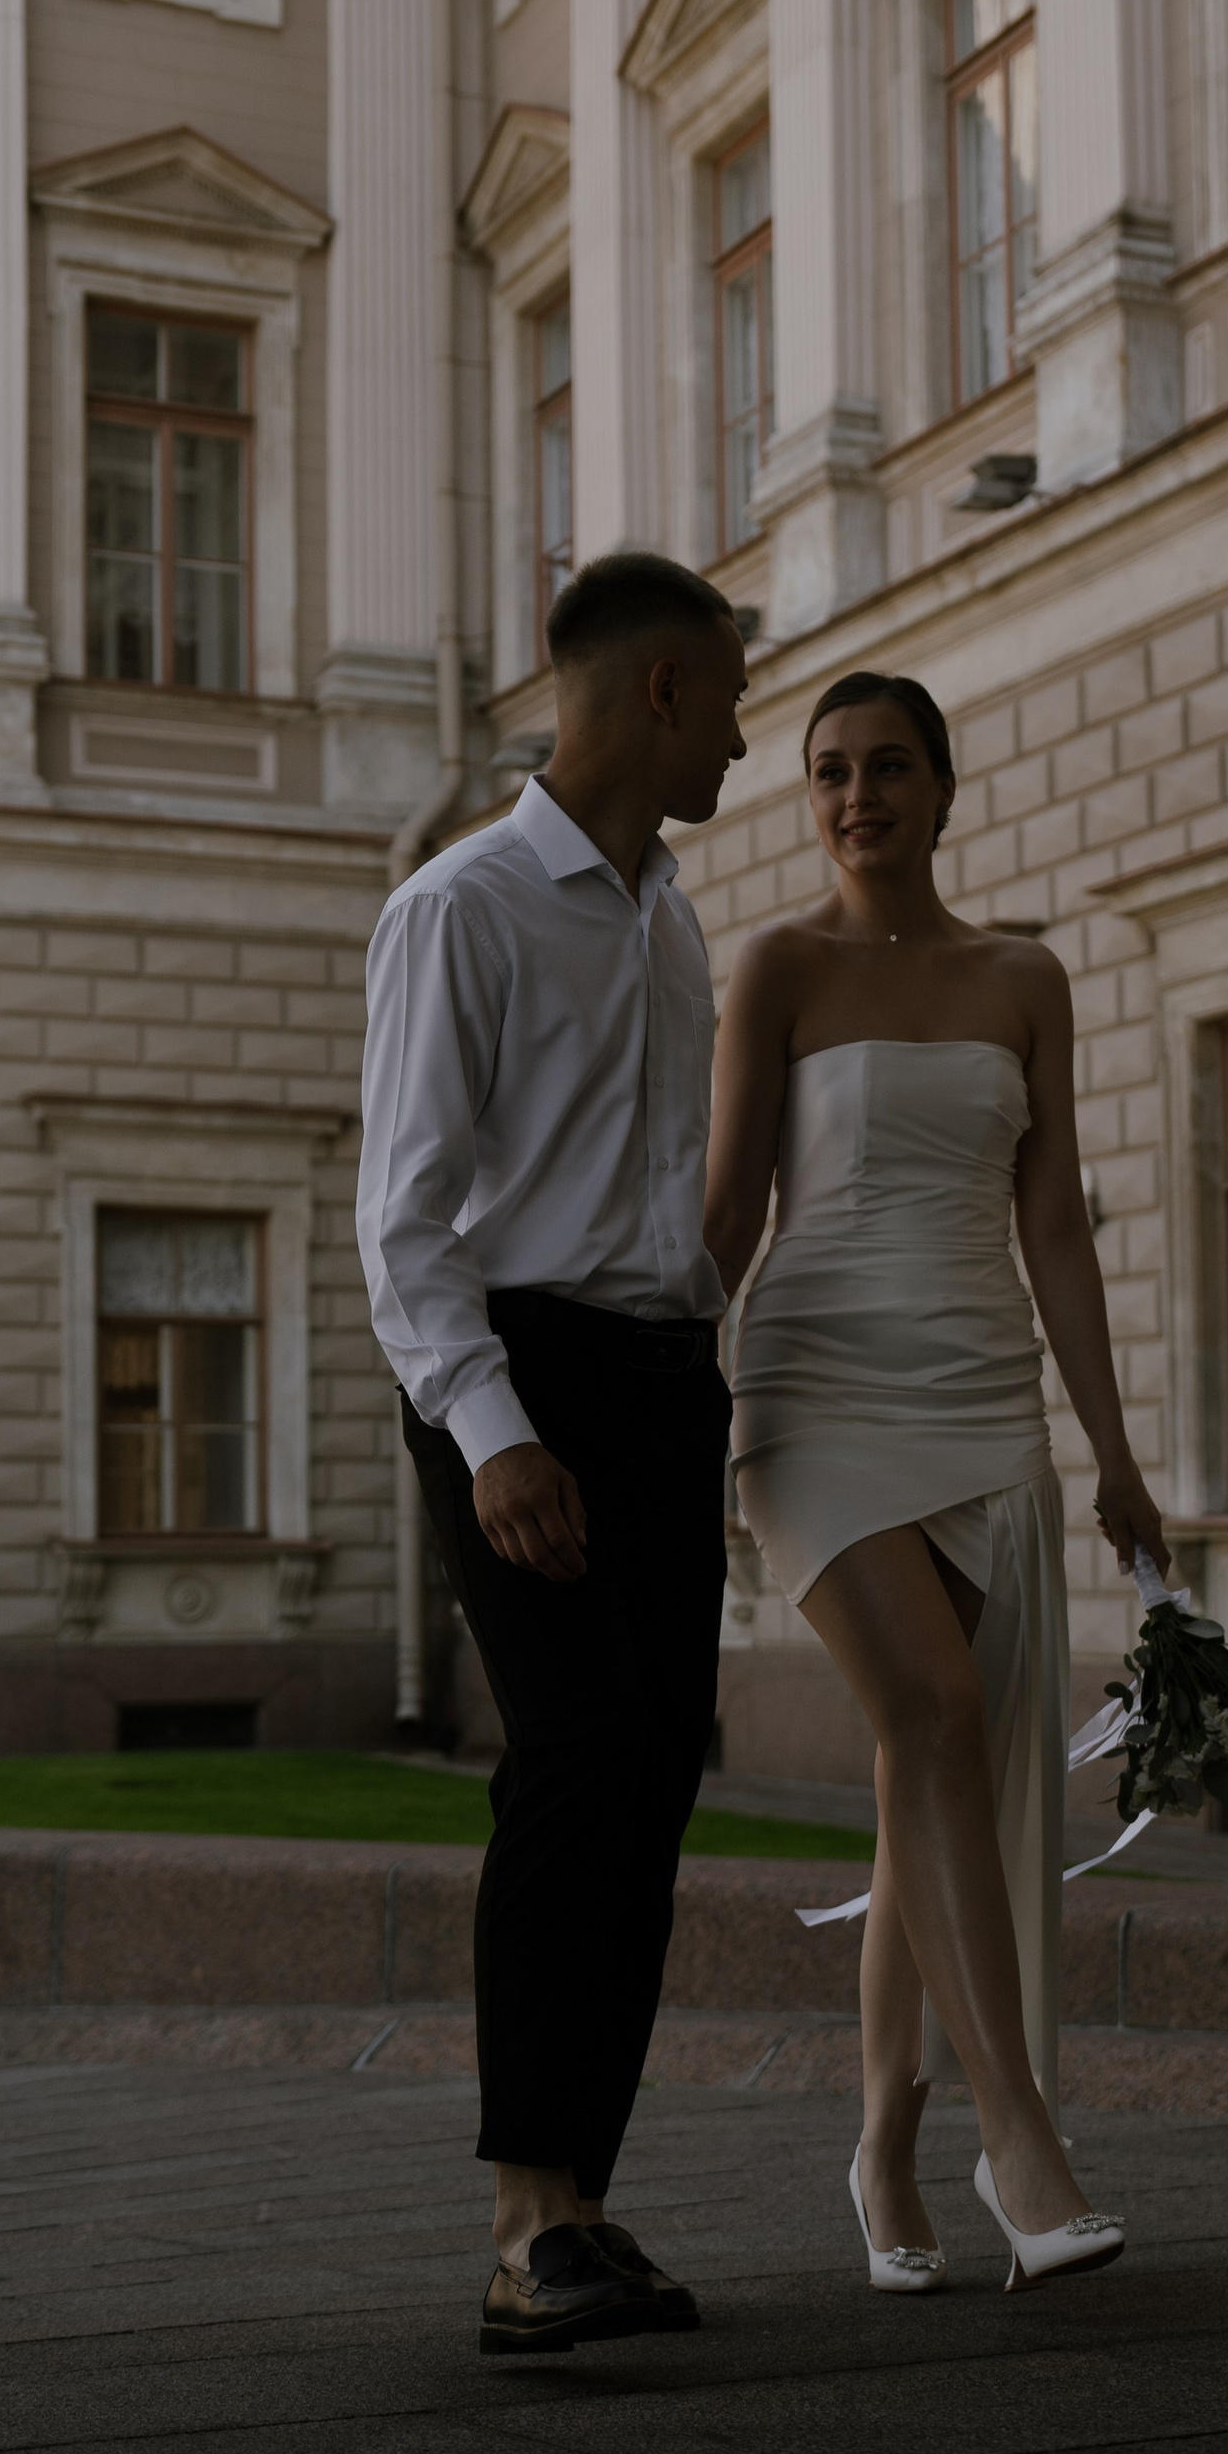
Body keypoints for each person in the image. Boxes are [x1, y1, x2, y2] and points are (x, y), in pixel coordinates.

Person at [705, 670, 1168, 2294]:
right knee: (940, 1721)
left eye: (888, 766)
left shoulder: (1024, 978)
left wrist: (1111, 1448)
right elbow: (720, 1216)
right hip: (814, 1390)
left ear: (947, 786)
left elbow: (1056, 1226)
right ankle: (1016, 2136)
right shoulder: (775, 966)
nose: (855, 796)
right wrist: (625, 1397)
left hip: (980, 1398)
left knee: (933, 1770)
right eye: (828, 773)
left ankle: (883, 2141)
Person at [359, 552, 748, 2355]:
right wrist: (497, 1430)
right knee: (579, 1760)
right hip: (524, 1382)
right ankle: (527, 2236)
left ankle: (584, 2204)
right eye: (733, 696)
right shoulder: (469, 906)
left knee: (658, 1767)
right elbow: (406, 1219)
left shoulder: (668, 914)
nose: (750, 734)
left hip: (666, 1381)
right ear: (659, 688)